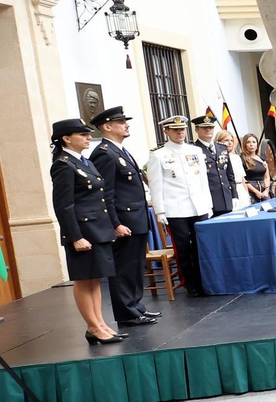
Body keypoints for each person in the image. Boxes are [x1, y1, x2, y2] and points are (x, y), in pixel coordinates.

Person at [50, 118, 124, 343]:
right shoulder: (63, 164)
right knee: (84, 280)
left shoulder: (84, 161)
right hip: (82, 232)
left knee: (95, 280)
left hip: (97, 229)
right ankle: (93, 326)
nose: (88, 137)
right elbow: (63, 206)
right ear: (66, 138)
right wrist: (75, 237)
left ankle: (100, 323)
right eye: (82, 135)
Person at [87, 107, 158, 328]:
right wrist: (115, 223)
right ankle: (126, 313)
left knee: (136, 266)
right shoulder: (104, 153)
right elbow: (104, 193)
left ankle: (135, 306)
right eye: (120, 122)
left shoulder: (120, 151)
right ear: (107, 127)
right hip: (124, 220)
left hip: (135, 218)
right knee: (124, 268)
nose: (126, 125)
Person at [147, 115, 213, 297]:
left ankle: (204, 280)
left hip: (198, 206)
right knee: (183, 248)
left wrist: (208, 204)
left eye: (182, 129)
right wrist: (160, 211)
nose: (180, 133)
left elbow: (202, 181)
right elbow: (156, 185)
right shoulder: (158, 155)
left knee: (201, 246)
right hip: (176, 209)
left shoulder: (194, 151)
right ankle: (189, 283)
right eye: (175, 130)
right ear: (166, 131)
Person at [191, 114, 239, 217]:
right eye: (204, 127)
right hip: (210, 200)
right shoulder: (193, 150)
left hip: (227, 198)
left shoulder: (222, 148)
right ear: (197, 129)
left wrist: (234, 196)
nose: (208, 130)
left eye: (211, 127)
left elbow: (229, 174)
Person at [238, 133, 272, 203]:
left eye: (254, 142)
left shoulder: (262, 159)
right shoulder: (241, 159)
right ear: (244, 145)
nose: (251, 144)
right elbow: (243, 179)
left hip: (264, 191)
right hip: (250, 191)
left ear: (257, 144)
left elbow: (266, 176)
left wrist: (266, 190)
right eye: (248, 142)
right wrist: (256, 192)